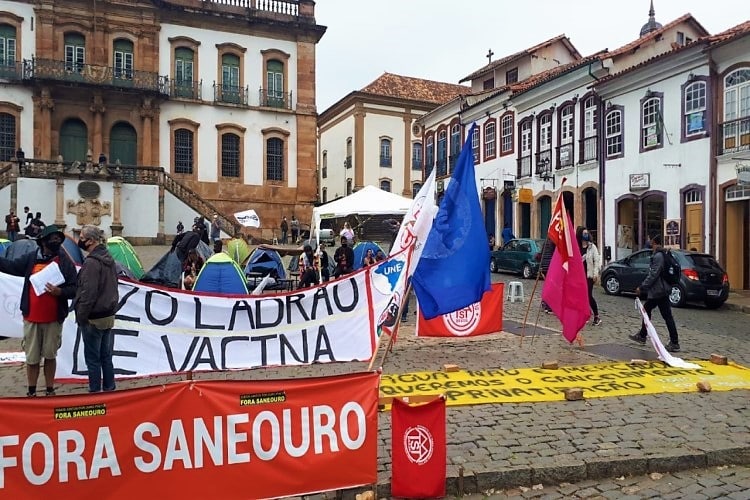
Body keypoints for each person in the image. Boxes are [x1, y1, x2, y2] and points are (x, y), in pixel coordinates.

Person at [0, 225, 77, 396]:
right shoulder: (31, 258)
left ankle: (50, 389)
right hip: (32, 318)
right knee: (32, 358)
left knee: (50, 355)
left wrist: (60, 292)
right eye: (53, 239)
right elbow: (10, 266)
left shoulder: (65, 261)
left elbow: (74, 288)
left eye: (59, 239)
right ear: (43, 241)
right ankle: (31, 390)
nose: (56, 242)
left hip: (53, 319)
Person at [75, 225, 119, 393]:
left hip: (94, 317)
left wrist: (81, 316)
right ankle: (109, 388)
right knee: (106, 356)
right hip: (107, 315)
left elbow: (88, 293)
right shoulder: (108, 258)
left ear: (91, 241)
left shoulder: (92, 263)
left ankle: (95, 391)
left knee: (93, 359)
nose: (80, 240)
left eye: (82, 238)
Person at [629, 234, 681, 352]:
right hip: (661, 290)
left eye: (651, 242)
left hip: (659, 290)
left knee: (661, 314)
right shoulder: (663, 254)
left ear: (654, 242)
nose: (650, 244)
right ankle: (643, 335)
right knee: (650, 310)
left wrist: (642, 287)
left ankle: (674, 342)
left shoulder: (658, 256)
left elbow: (654, 274)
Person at [578, 227, 602, 326]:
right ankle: (585, 314)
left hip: (589, 275)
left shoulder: (592, 247)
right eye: (584, 233)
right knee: (580, 296)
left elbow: (596, 260)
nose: (586, 235)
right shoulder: (577, 247)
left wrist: (596, 274)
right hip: (579, 276)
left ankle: (597, 316)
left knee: (588, 295)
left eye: (587, 233)